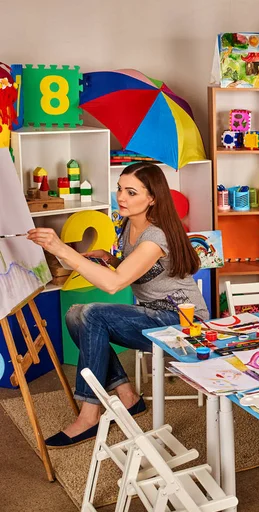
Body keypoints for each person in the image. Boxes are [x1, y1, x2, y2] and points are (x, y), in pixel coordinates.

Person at [27, 162, 208, 448]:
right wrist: (111, 260)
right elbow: (139, 269)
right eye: (120, 189)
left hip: (182, 321)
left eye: (132, 192)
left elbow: (114, 284)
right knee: (76, 315)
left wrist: (61, 248)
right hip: (153, 315)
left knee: (91, 313)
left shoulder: (156, 236)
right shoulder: (128, 228)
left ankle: (89, 415)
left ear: (152, 198)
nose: (121, 197)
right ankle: (128, 398)